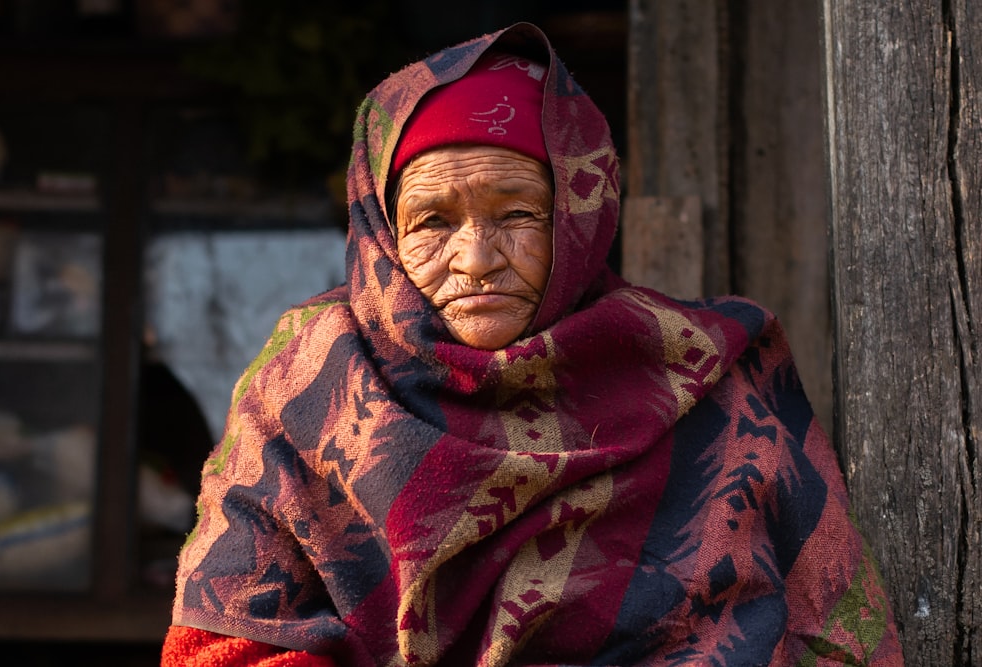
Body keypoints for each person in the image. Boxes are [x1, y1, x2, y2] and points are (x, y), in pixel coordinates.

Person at [161, 22, 903, 667]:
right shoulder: (312, 378)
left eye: (517, 211)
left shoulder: (713, 376)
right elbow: (221, 640)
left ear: (578, 217)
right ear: (383, 229)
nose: (477, 258)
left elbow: (822, 631)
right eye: (432, 221)